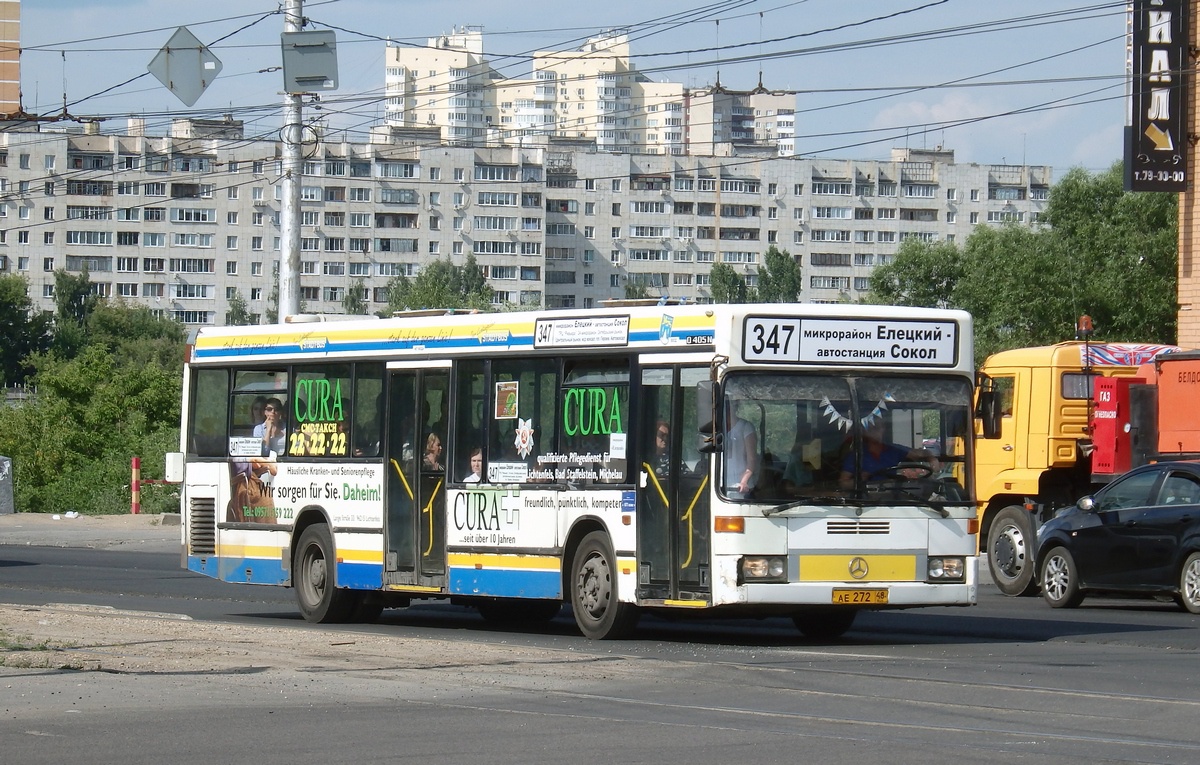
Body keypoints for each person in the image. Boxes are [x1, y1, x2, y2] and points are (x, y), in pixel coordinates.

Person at [839, 418, 937, 489]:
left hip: (891, 499)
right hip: (865, 500)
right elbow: (843, 483)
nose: (875, 432)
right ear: (865, 431)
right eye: (871, 429)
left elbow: (919, 453)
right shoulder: (856, 455)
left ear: (883, 429)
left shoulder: (893, 450)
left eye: (877, 428)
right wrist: (860, 479)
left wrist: (931, 457)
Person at [722, 400, 758, 498]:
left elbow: (752, 458)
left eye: (730, 406)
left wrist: (744, 481)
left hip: (740, 487)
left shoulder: (746, 427)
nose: (727, 410)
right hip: (720, 485)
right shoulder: (717, 429)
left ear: (735, 407)